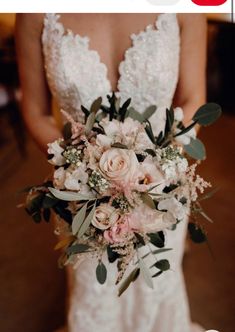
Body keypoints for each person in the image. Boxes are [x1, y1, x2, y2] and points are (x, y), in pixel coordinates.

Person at [15, 13, 207, 332]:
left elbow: (192, 100)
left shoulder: (184, 10)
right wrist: (83, 166)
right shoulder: (35, 13)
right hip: (80, 189)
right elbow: (34, 111)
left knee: (156, 284)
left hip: (159, 186)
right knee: (93, 290)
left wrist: (154, 165)